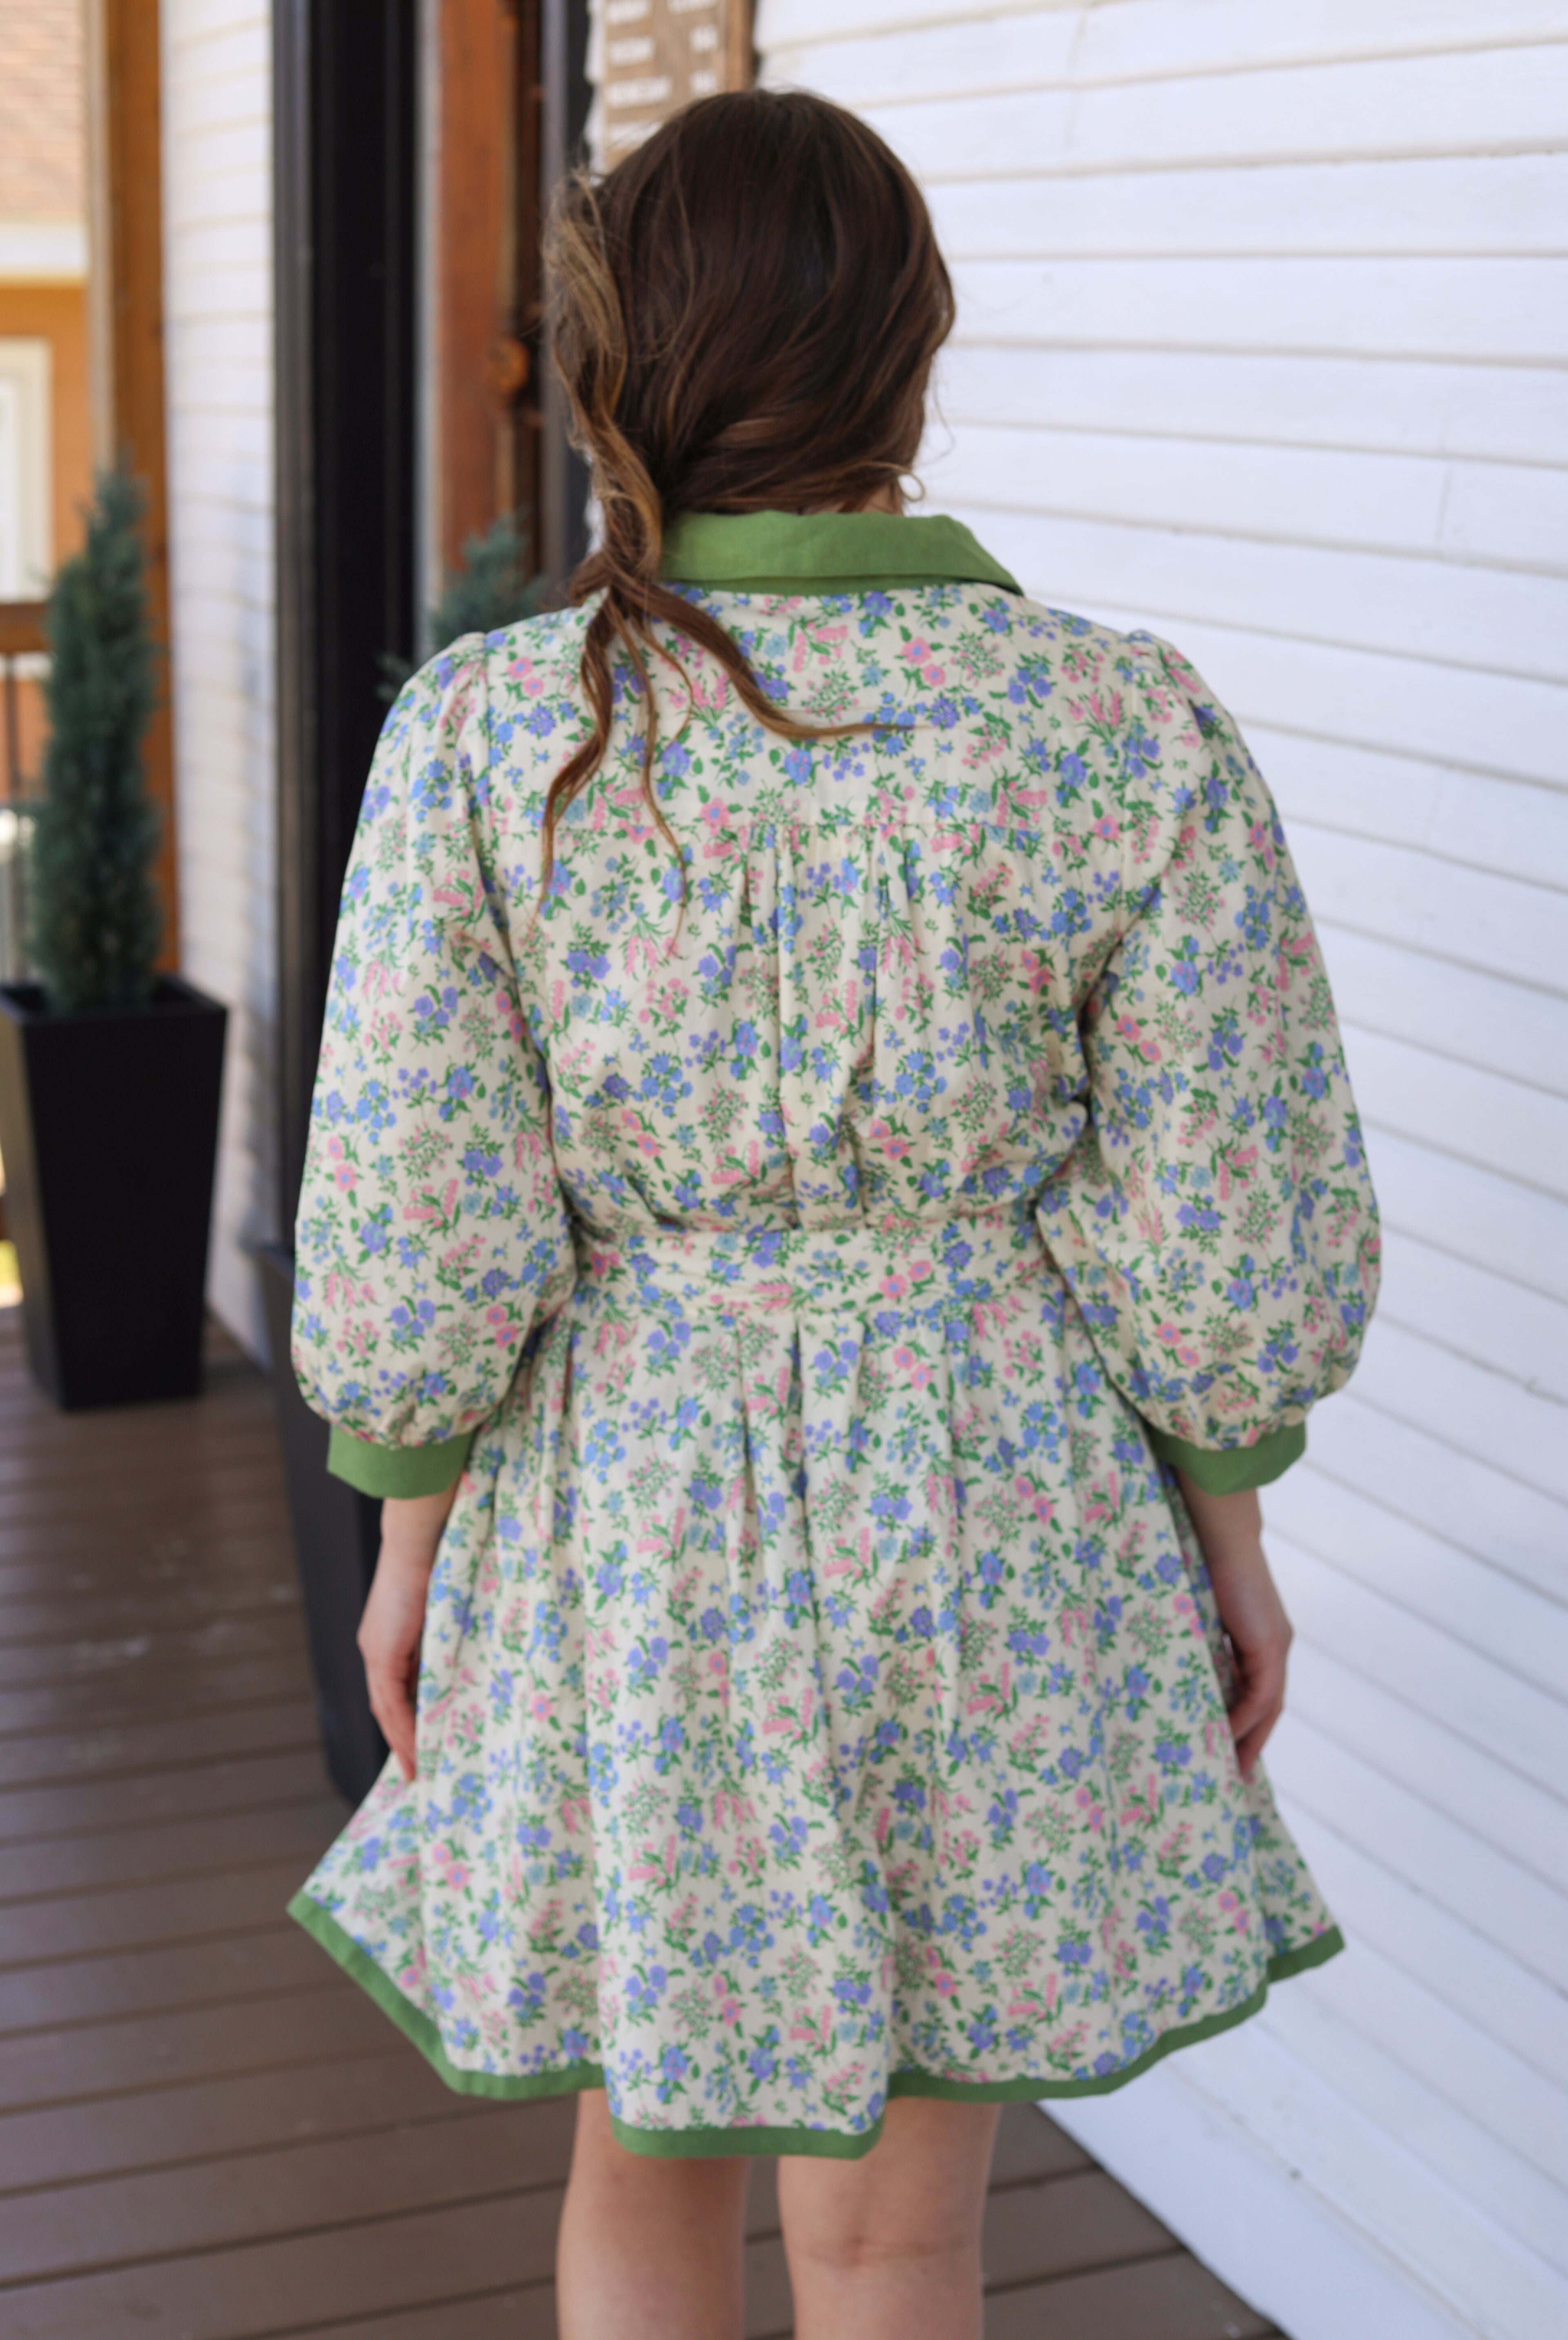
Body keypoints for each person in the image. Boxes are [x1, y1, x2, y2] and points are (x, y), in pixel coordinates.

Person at [287, 88, 1379, 2340]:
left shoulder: (493, 731)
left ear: (620, 361)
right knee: (898, 2234)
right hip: (994, 1507)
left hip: (627, 1518)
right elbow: (1227, 1200)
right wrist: (1233, 1523)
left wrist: (405, 1537)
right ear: (912, 352)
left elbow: (418, 1198)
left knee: (644, 2159)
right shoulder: (1114, 722)